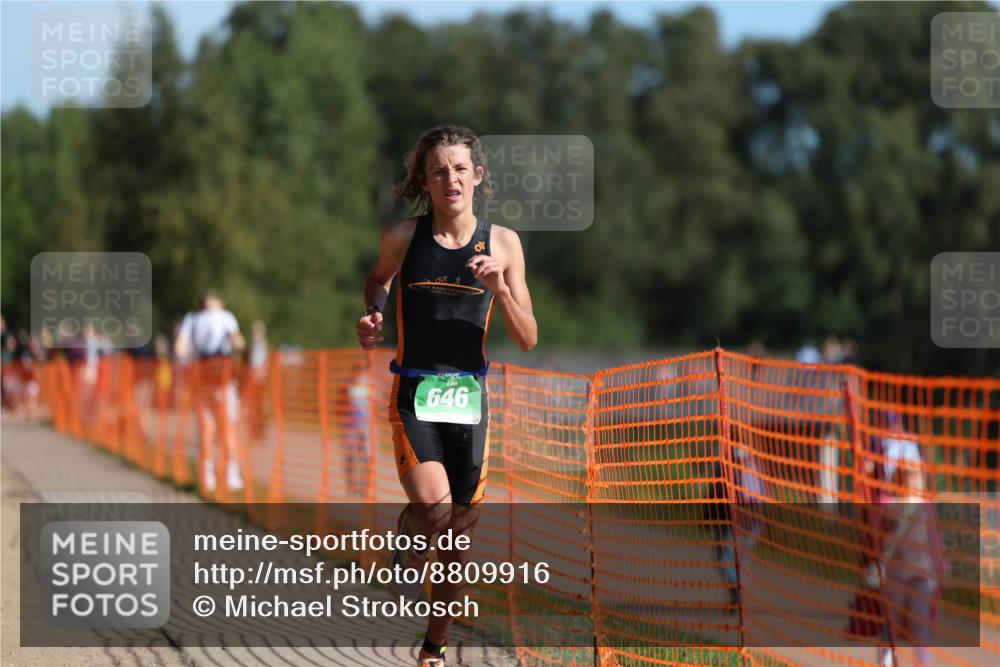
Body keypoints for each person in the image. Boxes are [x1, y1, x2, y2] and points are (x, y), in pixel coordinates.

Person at [356, 125, 537, 667]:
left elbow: (529, 338)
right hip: (415, 392)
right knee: (435, 511)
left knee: (458, 545)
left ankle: (433, 650)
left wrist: (501, 289)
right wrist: (373, 314)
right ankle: (411, 529)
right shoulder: (404, 238)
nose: (450, 179)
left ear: (477, 177)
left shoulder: (503, 243)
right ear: (426, 182)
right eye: (439, 171)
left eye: (460, 169)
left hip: (471, 401)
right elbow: (377, 279)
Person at [863, 457, 945, 667]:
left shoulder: (926, 506)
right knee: (890, 624)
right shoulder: (886, 504)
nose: (913, 478)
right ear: (899, 476)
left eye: (916, 473)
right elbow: (874, 533)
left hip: (922, 576)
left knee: (920, 627)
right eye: (908, 473)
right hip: (895, 576)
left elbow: (934, 537)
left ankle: (923, 664)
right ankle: (885, 662)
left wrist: (941, 566)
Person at [174, 290, 246, 493]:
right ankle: (231, 475)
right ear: (219, 302)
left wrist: (195, 357)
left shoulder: (192, 319)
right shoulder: (226, 317)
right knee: (227, 427)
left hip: (200, 377)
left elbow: (180, 349)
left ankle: (208, 475)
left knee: (206, 428)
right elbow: (239, 342)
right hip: (222, 379)